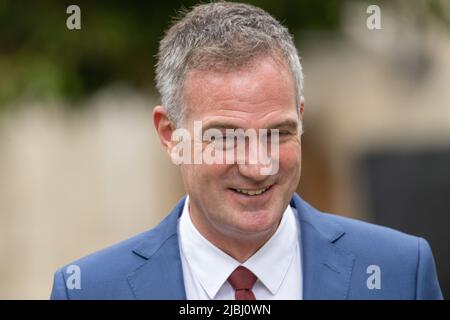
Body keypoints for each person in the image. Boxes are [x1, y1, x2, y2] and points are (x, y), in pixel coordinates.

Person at [50, 2, 442, 300]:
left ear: (300, 119)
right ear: (171, 136)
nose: (258, 166)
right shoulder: (90, 290)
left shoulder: (399, 274)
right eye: (225, 137)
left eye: (278, 132)